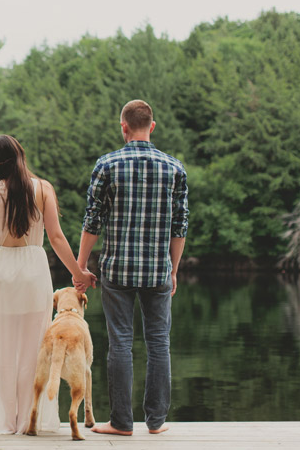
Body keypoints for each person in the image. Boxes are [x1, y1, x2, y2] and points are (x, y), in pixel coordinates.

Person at [76, 99, 189, 436]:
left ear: (123, 126)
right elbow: (179, 225)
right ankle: (156, 422)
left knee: (121, 344)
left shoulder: (107, 165)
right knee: (159, 343)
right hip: (157, 271)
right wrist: (174, 270)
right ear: (151, 126)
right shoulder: (174, 168)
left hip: (118, 270)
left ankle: (122, 423)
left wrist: (80, 268)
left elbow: (92, 221)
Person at [0, 134, 95, 435]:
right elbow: (56, 237)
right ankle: (31, 419)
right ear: (20, 156)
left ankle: (5, 421)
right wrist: (78, 273)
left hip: (0, 272)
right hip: (34, 273)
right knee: (34, 351)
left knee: (3, 352)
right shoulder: (43, 188)